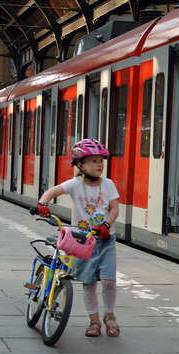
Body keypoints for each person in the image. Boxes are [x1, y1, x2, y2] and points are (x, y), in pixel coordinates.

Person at [37, 139, 121, 337]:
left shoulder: (108, 184)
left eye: (101, 161)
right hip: (83, 242)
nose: (99, 165)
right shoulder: (75, 184)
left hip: (106, 240)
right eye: (93, 161)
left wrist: (107, 224)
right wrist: (43, 203)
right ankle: (93, 321)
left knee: (109, 281)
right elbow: (53, 191)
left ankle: (109, 316)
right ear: (80, 165)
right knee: (88, 282)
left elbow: (115, 208)